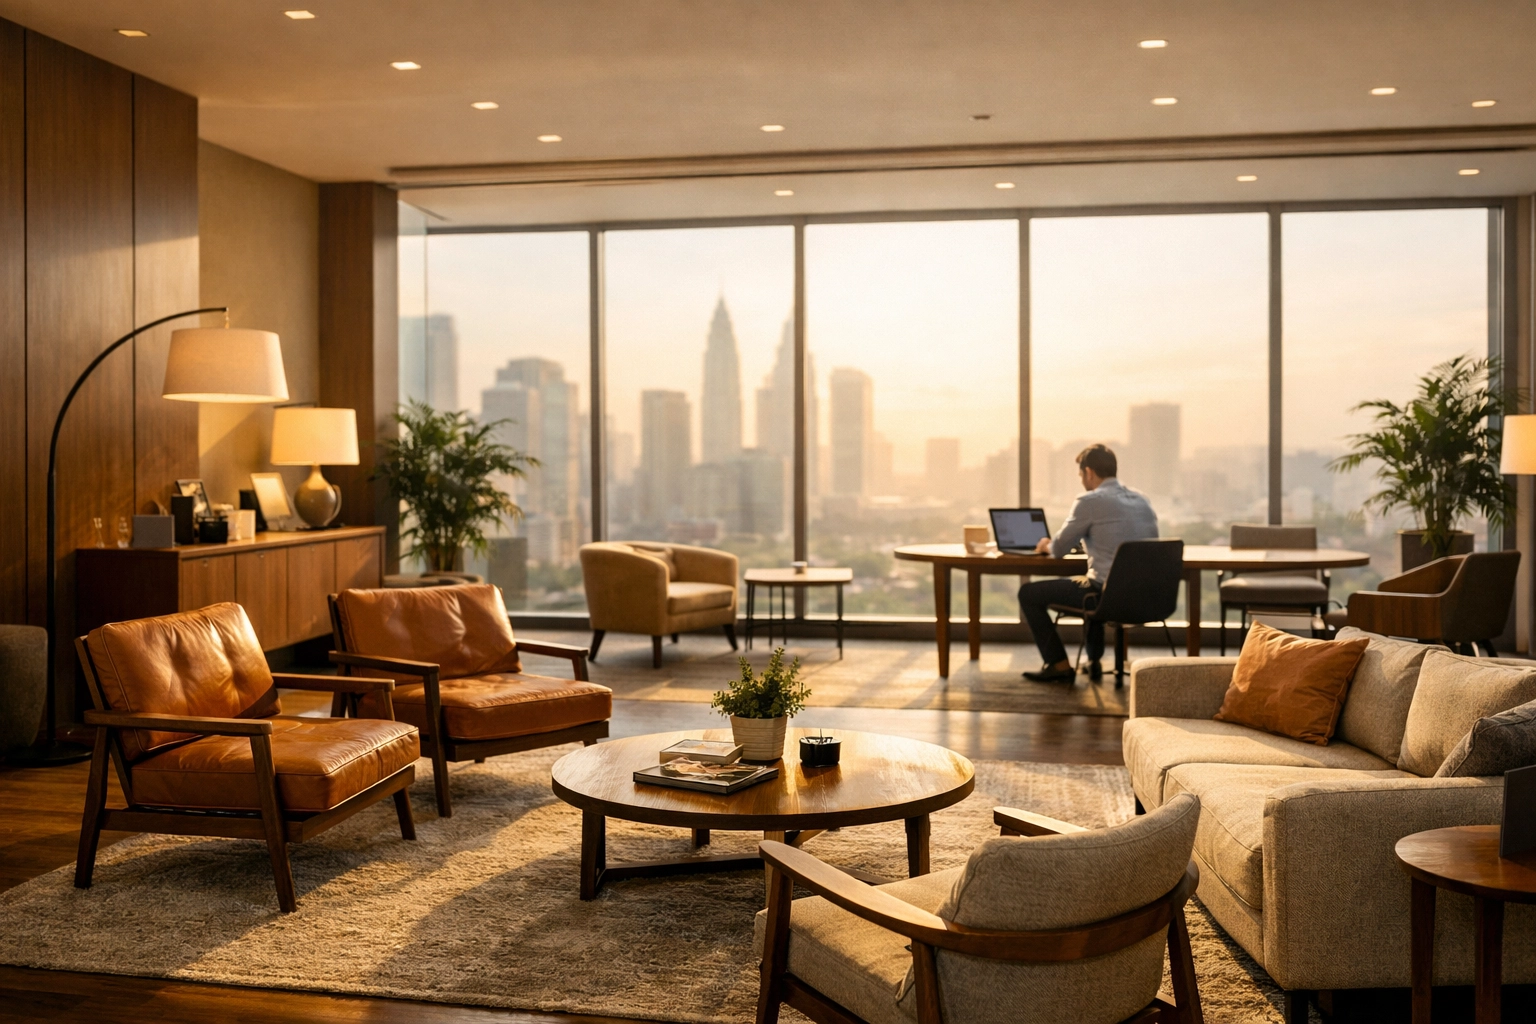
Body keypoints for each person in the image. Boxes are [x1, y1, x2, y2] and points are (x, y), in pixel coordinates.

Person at [1019, 444, 1159, 683]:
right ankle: (1093, 661)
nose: (1081, 480)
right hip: (1149, 598)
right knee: (1093, 579)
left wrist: (1045, 545)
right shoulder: (1142, 500)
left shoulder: (1089, 501)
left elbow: (1059, 549)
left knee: (1029, 593)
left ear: (1089, 472)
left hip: (1107, 597)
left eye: (1081, 475)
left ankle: (1059, 664)